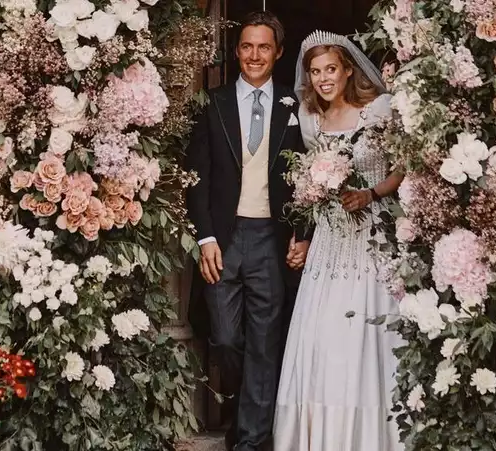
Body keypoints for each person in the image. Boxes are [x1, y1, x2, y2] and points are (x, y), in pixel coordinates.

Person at [273, 30, 406, 451]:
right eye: (315, 72)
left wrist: (372, 193)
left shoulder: (380, 109)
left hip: (372, 234)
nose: (323, 79)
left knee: (367, 334)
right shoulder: (312, 123)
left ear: (348, 70)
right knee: (326, 334)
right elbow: (311, 188)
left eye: (330, 69)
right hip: (331, 240)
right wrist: (306, 234)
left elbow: (404, 165)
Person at [184, 11, 311, 451]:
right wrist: (206, 238)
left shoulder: (297, 107)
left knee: (264, 343)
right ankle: (245, 410)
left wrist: (303, 232)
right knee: (224, 337)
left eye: (263, 47)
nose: (254, 55)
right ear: (236, 52)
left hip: (271, 240)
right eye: (246, 46)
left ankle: (251, 442)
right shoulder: (211, 102)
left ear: (277, 53)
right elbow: (196, 177)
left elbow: (311, 180)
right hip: (224, 237)